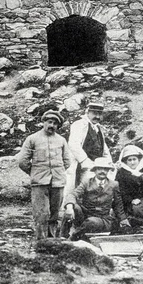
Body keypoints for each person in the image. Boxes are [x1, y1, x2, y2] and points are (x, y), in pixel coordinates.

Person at [17, 110, 72, 240]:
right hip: (40, 183)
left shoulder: (61, 140)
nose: (51, 125)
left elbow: (67, 161)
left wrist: (58, 172)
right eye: (49, 122)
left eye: (55, 123)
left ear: (58, 126)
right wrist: (34, 173)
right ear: (43, 122)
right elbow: (22, 161)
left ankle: (52, 239)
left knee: (54, 213)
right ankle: (40, 240)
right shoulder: (32, 139)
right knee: (41, 213)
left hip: (58, 182)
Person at [63, 157, 130, 241]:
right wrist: (69, 207)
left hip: (102, 219)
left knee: (92, 222)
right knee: (72, 207)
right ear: (94, 170)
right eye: (99, 169)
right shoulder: (86, 182)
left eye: (105, 169)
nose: (102, 171)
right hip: (85, 215)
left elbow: (118, 204)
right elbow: (72, 194)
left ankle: (72, 237)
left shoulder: (114, 185)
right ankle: (62, 236)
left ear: (108, 171)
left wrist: (123, 219)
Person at [66, 102, 112, 186]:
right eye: (94, 113)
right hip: (82, 166)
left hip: (96, 166)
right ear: (87, 112)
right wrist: (85, 161)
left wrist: (108, 161)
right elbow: (74, 144)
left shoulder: (98, 128)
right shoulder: (79, 125)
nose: (97, 117)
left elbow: (103, 147)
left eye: (99, 114)